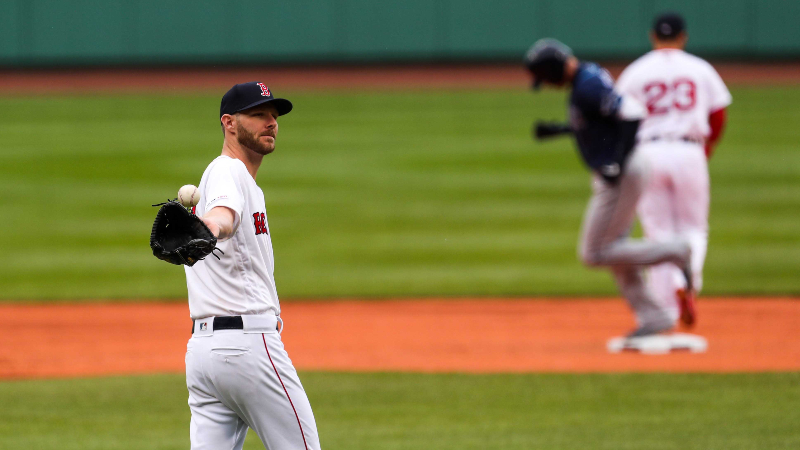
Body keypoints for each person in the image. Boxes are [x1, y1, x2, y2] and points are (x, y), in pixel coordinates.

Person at [524, 39, 696, 350]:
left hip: (624, 173)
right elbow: (598, 121)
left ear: (553, 69)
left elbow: (631, 113)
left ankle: (675, 251)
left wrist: (616, 161)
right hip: (626, 170)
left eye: (546, 78)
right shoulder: (587, 77)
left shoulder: (587, 85)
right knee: (617, 251)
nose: (547, 85)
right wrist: (561, 130)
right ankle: (654, 317)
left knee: (595, 252)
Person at [184, 81, 321, 450]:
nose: (270, 122)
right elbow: (222, 217)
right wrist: (212, 227)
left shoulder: (234, 178)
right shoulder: (228, 171)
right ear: (229, 123)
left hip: (203, 356)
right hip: (248, 348)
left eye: (274, 115)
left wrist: (208, 228)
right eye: (258, 114)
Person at [616, 12, 731, 328]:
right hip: (689, 150)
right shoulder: (699, 68)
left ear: (654, 36)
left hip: (648, 152)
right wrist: (705, 150)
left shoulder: (636, 71)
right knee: (694, 229)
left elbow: (620, 118)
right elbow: (718, 115)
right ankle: (687, 283)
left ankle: (664, 309)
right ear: (683, 36)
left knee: (658, 234)